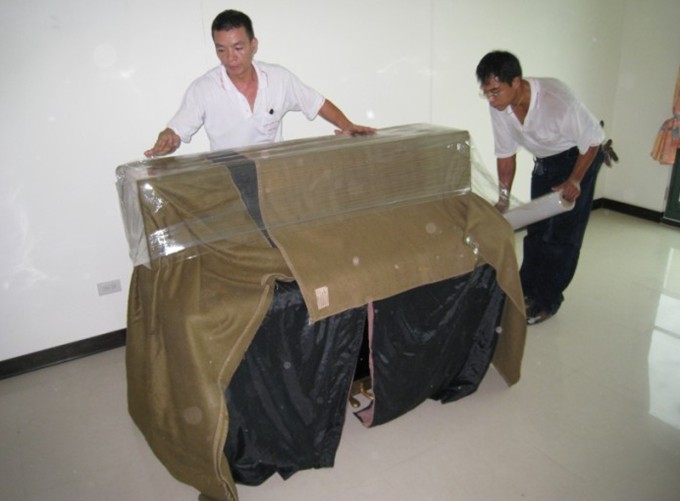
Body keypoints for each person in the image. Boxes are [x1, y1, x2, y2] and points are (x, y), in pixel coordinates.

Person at [475, 50, 605, 325]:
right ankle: (526, 291)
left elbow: (593, 141)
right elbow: (506, 155)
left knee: (561, 236)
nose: (491, 99)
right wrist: (503, 198)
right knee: (537, 230)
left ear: (516, 82)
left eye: (495, 91)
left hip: (579, 159)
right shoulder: (499, 107)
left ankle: (547, 300)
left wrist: (575, 180)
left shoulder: (557, 100)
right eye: (486, 93)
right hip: (546, 162)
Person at [145, 9, 374, 157]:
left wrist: (347, 125)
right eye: (221, 50)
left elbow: (317, 103)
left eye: (238, 48)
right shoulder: (204, 88)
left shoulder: (278, 78)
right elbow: (176, 130)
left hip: (273, 174)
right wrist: (168, 138)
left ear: (253, 45)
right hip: (227, 175)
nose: (230, 58)